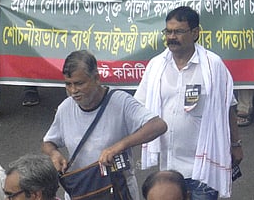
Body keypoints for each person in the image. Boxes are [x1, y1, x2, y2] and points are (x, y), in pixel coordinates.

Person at [135, 6, 239, 200]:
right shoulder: (156, 65)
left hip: (204, 167)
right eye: (168, 31)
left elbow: (228, 107)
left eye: (179, 31)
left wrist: (236, 144)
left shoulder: (213, 65)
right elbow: (137, 108)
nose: (172, 37)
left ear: (195, 32)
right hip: (169, 167)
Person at [43, 51, 167, 200]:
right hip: (81, 192)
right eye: (68, 84)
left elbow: (158, 125)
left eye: (79, 83)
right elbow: (48, 142)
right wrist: (54, 153)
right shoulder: (65, 108)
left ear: (96, 78)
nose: (73, 91)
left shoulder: (121, 101)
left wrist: (120, 145)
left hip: (117, 191)